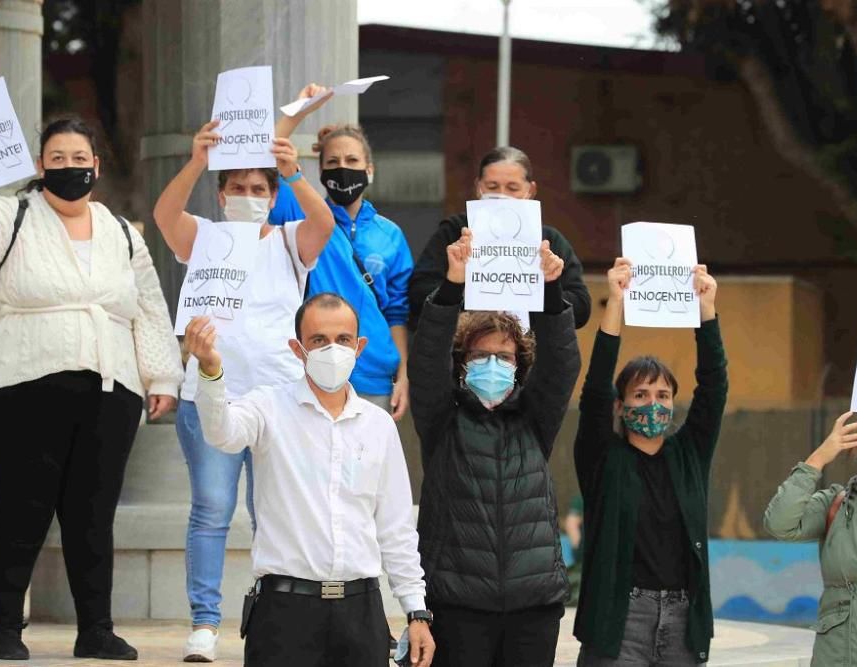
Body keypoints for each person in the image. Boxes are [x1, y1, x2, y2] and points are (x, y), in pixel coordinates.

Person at [0, 116, 183, 661]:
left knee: (93, 513)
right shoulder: (12, 214)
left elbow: (148, 303)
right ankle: (3, 628)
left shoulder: (119, 230)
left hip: (110, 385)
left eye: (79, 157)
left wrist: (161, 374)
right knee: (23, 508)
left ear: (96, 164)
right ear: (41, 165)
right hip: (21, 383)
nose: (70, 166)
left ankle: (96, 627)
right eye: (58, 158)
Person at [152, 83, 335, 662]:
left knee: (272, 511)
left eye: (259, 188)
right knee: (211, 507)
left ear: (272, 194)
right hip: (208, 393)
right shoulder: (202, 238)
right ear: (222, 193)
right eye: (237, 187)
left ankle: (272, 615)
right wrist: (196, 162)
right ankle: (204, 623)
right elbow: (162, 214)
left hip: (277, 398)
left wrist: (296, 172)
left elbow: (324, 224)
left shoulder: (288, 239)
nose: (248, 195)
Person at [185, 294, 435, 667]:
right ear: (298, 348)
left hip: (361, 611)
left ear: (359, 346)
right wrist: (209, 369)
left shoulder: (378, 425)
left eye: (343, 340)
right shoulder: (268, 407)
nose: (331, 350)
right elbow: (222, 433)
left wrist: (416, 611)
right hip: (284, 611)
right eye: (318, 340)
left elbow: (396, 528)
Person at [409, 226, 581, 666]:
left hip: (533, 605)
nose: (492, 364)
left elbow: (561, 364)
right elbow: (427, 362)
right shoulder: (442, 421)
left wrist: (550, 290)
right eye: (479, 356)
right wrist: (451, 287)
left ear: (520, 366)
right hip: (459, 606)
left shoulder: (535, 419)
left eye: (503, 357)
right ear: (461, 365)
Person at [574, 258, 725, 666]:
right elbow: (594, 392)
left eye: (662, 395)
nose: (653, 403)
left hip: (682, 621)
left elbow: (714, 387)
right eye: (641, 395)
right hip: (620, 620)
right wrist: (616, 304)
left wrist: (706, 311)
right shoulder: (603, 457)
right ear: (621, 406)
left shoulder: (689, 454)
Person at [275, 110, 413, 418]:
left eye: (352, 161)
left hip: (374, 377)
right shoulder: (300, 216)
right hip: (311, 370)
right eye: (332, 162)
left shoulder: (390, 235)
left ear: (369, 169)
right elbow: (269, 151)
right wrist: (304, 106)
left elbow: (396, 313)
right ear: (320, 170)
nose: (343, 169)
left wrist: (402, 376)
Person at [408, 146, 591, 330]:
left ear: (531, 190)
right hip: (463, 346)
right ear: (478, 187)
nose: (502, 196)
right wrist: (456, 284)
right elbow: (418, 295)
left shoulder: (549, 241)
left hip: (533, 351)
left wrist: (547, 286)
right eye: (492, 187)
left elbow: (581, 310)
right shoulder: (455, 233)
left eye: (513, 188)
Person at [764, 411, 857, 667]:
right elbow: (779, 524)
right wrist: (818, 458)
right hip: (837, 657)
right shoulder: (835, 504)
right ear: (855, 447)